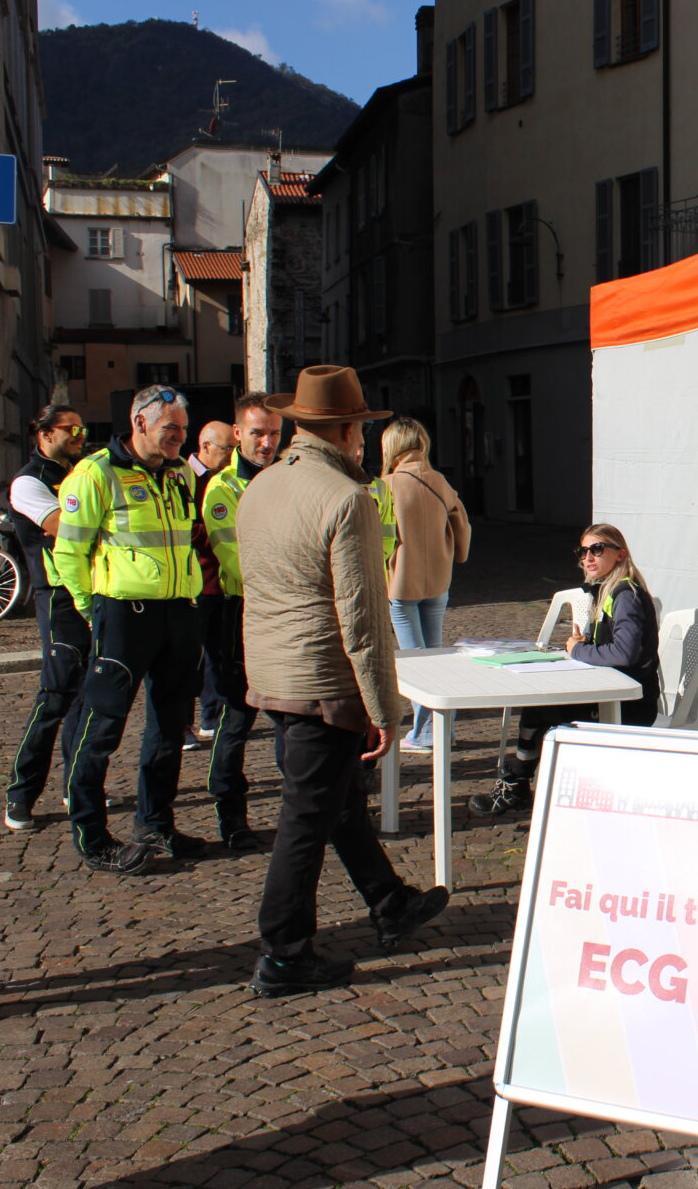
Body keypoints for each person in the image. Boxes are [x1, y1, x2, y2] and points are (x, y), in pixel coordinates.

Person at [237, 365, 448, 995]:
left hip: (273, 669)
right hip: (321, 680)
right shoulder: (346, 497)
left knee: (335, 800)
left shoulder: (262, 486)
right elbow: (360, 616)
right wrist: (385, 708)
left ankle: (389, 902)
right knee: (307, 814)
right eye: (360, 429)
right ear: (348, 430)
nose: (362, 441)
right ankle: (283, 951)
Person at [53, 384, 208, 874]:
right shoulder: (95, 473)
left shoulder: (181, 471)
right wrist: (91, 610)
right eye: (170, 430)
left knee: (168, 728)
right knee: (101, 730)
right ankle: (92, 836)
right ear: (139, 422)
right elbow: (68, 553)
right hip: (123, 615)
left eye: (183, 430)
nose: (179, 439)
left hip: (179, 612)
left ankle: (156, 824)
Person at [469, 523, 659, 816]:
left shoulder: (625, 595)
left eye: (597, 549)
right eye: (583, 551)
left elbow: (625, 652)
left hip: (629, 704)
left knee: (540, 710)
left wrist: (577, 649)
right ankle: (523, 784)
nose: (588, 558)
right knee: (539, 707)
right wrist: (587, 643)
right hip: (611, 692)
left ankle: (522, 787)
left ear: (620, 554)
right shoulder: (608, 590)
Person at [194, 392, 283, 852]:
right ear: (237, 434)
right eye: (257, 433)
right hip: (238, 614)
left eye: (273, 433)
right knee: (237, 718)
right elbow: (236, 558)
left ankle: (304, 810)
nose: (266, 443)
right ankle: (231, 816)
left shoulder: (288, 480)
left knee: (294, 715)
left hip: (284, 615)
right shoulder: (222, 488)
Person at [0, 405, 96, 831]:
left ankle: (77, 785)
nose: (78, 434)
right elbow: (67, 526)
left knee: (87, 697)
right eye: (69, 428)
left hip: (93, 590)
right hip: (57, 596)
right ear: (43, 434)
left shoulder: (82, 473)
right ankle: (20, 794)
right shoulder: (28, 482)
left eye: (82, 428)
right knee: (55, 696)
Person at [381, 417, 472, 755]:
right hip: (438, 580)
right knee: (433, 656)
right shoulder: (439, 481)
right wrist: (457, 554)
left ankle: (424, 733)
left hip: (401, 584)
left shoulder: (386, 484)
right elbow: (461, 523)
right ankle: (441, 728)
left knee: (416, 661)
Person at [188, 421, 234, 746]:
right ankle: (193, 719)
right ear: (205, 447)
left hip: (221, 581)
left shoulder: (224, 480)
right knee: (193, 656)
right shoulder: (188, 478)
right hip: (196, 581)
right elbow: (189, 528)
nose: (231, 455)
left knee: (219, 653)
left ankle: (213, 715)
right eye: (226, 448)